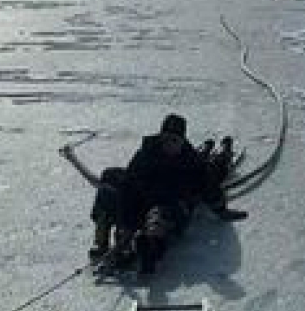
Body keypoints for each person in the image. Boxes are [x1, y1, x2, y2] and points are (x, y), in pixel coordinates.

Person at [79, 114, 246, 275]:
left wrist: (220, 209)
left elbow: (209, 186)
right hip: (143, 202)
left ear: (182, 141)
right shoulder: (146, 154)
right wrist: (126, 225)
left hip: (173, 206)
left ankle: (150, 248)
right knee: (110, 179)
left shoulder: (191, 160)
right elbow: (128, 185)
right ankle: (104, 239)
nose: (169, 144)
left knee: (161, 216)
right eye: (166, 139)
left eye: (175, 140)